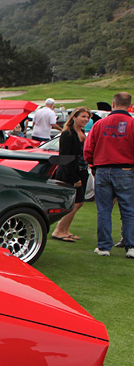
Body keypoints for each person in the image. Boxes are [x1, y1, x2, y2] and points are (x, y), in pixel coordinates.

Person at [84, 92, 134, 257]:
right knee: (128, 210)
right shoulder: (132, 123)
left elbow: (88, 149)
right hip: (126, 170)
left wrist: (93, 164)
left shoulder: (100, 124)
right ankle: (131, 246)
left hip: (103, 169)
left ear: (113, 104)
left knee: (104, 210)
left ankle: (104, 246)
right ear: (129, 105)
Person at [50, 107, 91, 242]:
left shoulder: (82, 131)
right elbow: (65, 157)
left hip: (82, 170)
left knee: (79, 202)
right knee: (75, 202)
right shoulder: (68, 134)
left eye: (87, 117)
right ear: (74, 117)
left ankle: (65, 229)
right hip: (71, 172)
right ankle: (59, 230)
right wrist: (74, 178)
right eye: (83, 116)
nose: (85, 119)